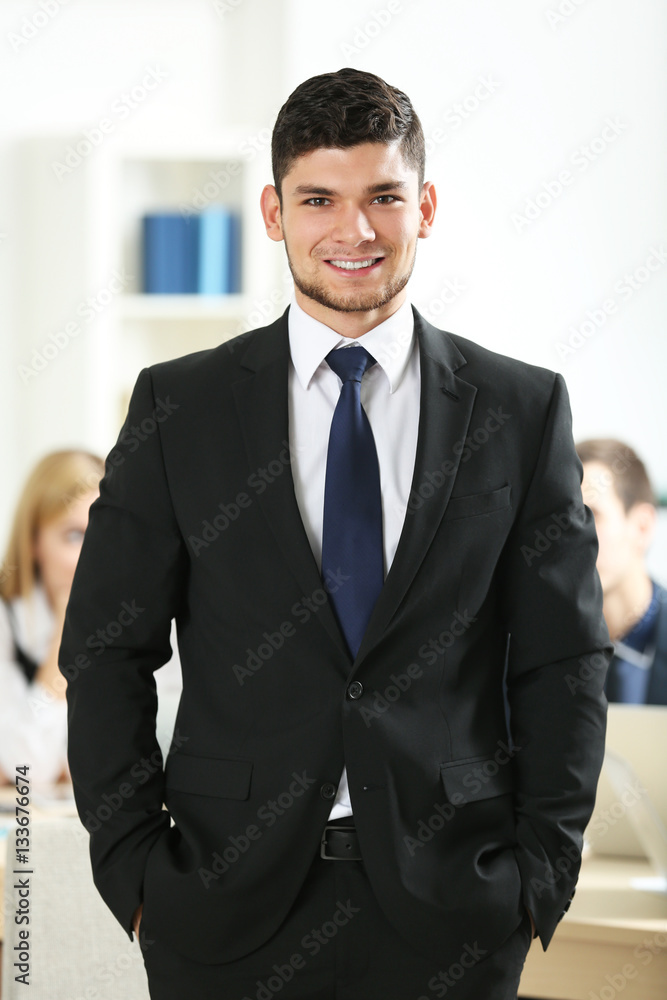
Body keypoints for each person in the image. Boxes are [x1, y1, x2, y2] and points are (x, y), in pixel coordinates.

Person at [61, 68, 611, 1000]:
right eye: (319, 198)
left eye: (382, 197)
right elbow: (106, 650)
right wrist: (136, 873)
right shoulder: (178, 407)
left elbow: (564, 662)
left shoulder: (521, 410)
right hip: (223, 913)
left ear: (425, 206)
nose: (352, 232)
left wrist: (536, 879)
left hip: (455, 915)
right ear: (274, 212)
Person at [0, 449, 103, 785]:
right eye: (74, 535)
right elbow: (27, 772)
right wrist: (65, 633)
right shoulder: (8, 622)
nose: (93, 556)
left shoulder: (141, 617)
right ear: (32, 541)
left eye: (103, 534)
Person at [577, 438, 666, 705]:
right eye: (562, 521)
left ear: (642, 526)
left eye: (589, 516)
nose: (571, 538)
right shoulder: (530, 651)